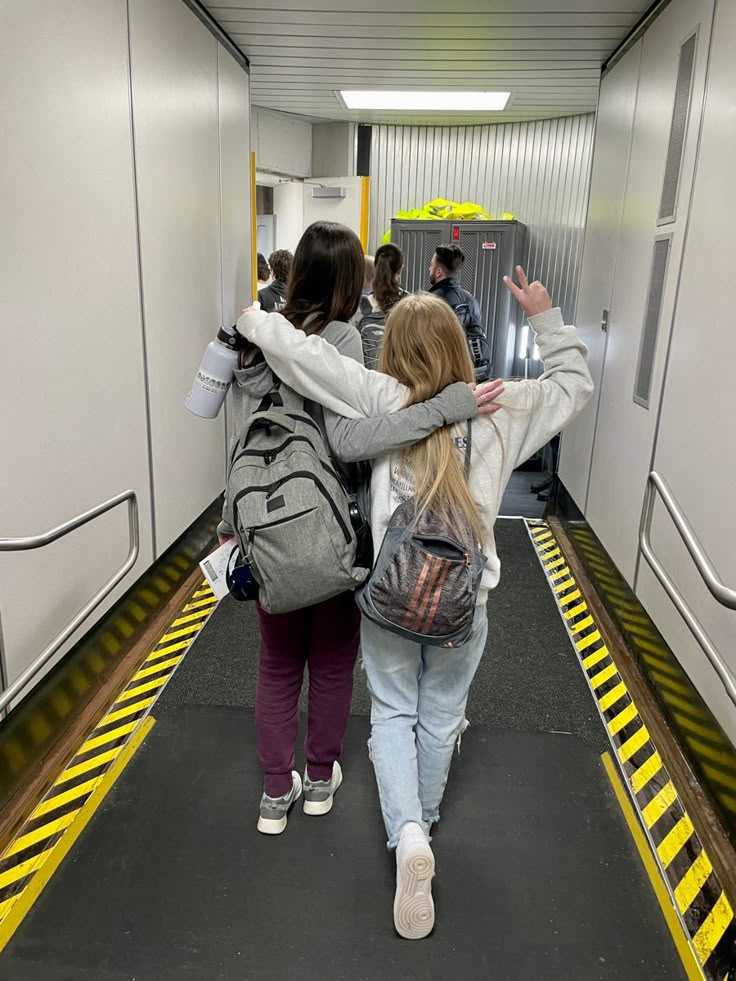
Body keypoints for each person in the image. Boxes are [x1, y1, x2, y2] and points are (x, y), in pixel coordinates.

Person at [236, 268, 593, 938]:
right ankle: (422, 822)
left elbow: (302, 356)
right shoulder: (499, 405)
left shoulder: (381, 395)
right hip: (463, 603)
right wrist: (544, 318)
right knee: (440, 717)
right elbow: (574, 387)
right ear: (457, 346)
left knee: (392, 716)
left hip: (391, 597)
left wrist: (252, 318)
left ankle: (406, 835)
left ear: (392, 347)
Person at [220, 220, 495, 837]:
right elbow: (349, 438)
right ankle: (319, 781)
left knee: (277, 662)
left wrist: (230, 522)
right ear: (350, 279)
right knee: (335, 659)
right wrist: (440, 411)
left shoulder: (253, 345)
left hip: (266, 528)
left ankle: (273, 796)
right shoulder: (343, 337)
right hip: (335, 529)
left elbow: (245, 441)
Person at [428, 243, 482, 325]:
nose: (429, 269)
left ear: (438, 272)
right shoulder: (471, 300)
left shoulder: (431, 301)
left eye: (431, 265)